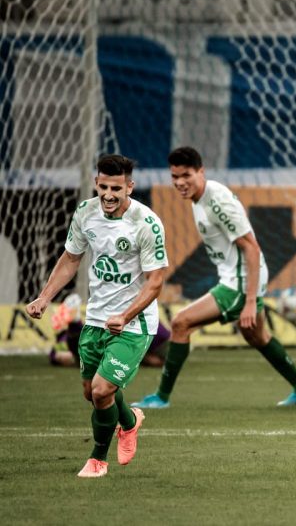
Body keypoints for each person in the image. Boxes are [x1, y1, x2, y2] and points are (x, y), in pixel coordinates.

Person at [133, 147, 296, 409]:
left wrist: (250, 300)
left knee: (181, 323)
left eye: (186, 175)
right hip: (237, 278)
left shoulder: (217, 201)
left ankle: (161, 397)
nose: (180, 182)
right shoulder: (200, 198)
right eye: (175, 177)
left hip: (241, 283)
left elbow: (252, 247)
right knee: (257, 337)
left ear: (201, 171)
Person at [26, 154, 168, 477]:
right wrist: (45, 297)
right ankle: (130, 422)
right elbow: (71, 258)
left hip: (135, 322)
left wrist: (126, 314)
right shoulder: (85, 213)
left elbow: (156, 281)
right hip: (96, 319)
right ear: (96, 183)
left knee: (103, 390)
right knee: (91, 393)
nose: (108, 194)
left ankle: (97, 460)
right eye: (103, 186)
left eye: (116, 188)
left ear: (129, 187)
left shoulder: (146, 223)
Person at [49, 293, 172, 368]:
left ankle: (70, 329)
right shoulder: (158, 341)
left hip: (127, 325)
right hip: (136, 331)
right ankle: (73, 327)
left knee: (90, 355)